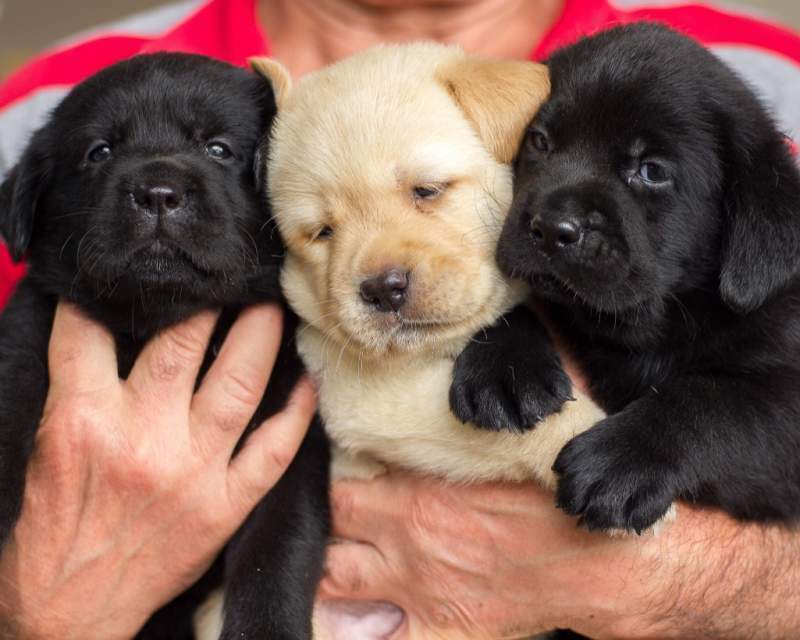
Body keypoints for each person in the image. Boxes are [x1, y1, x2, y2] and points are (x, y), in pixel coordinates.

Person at [0, 1, 799, 638]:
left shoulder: (773, 82)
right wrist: (44, 611)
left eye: (431, 192)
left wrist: (704, 582)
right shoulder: (38, 109)